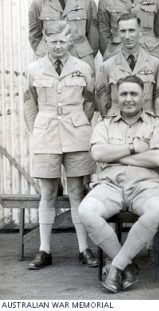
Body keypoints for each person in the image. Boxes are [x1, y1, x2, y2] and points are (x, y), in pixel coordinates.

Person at [79, 75, 159, 293]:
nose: (129, 99)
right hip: (110, 185)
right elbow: (98, 153)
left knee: (157, 208)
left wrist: (117, 157)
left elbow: (157, 159)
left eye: (134, 94)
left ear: (143, 96)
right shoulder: (105, 124)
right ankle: (127, 266)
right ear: (116, 97)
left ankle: (118, 266)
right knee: (86, 211)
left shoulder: (156, 124)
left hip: (146, 184)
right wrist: (132, 148)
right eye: (124, 94)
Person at [23, 21, 97, 270]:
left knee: (77, 193)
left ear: (70, 41)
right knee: (48, 194)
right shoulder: (34, 69)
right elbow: (30, 105)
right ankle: (44, 250)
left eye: (62, 41)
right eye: (52, 41)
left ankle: (84, 249)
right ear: (45, 40)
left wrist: (79, 124)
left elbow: (89, 101)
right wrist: (38, 131)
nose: (57, 46)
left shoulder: (83, 68)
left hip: (76, 135)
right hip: (46, 136)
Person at [96, 13, 159, 116]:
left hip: (147, 124)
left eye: (131, 30)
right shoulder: (107, 66)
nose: (127, 36)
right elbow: (102, 102)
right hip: (117, 124)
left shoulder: (155, 64)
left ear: (140, 32)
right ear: (118, 33)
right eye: (123, 31)